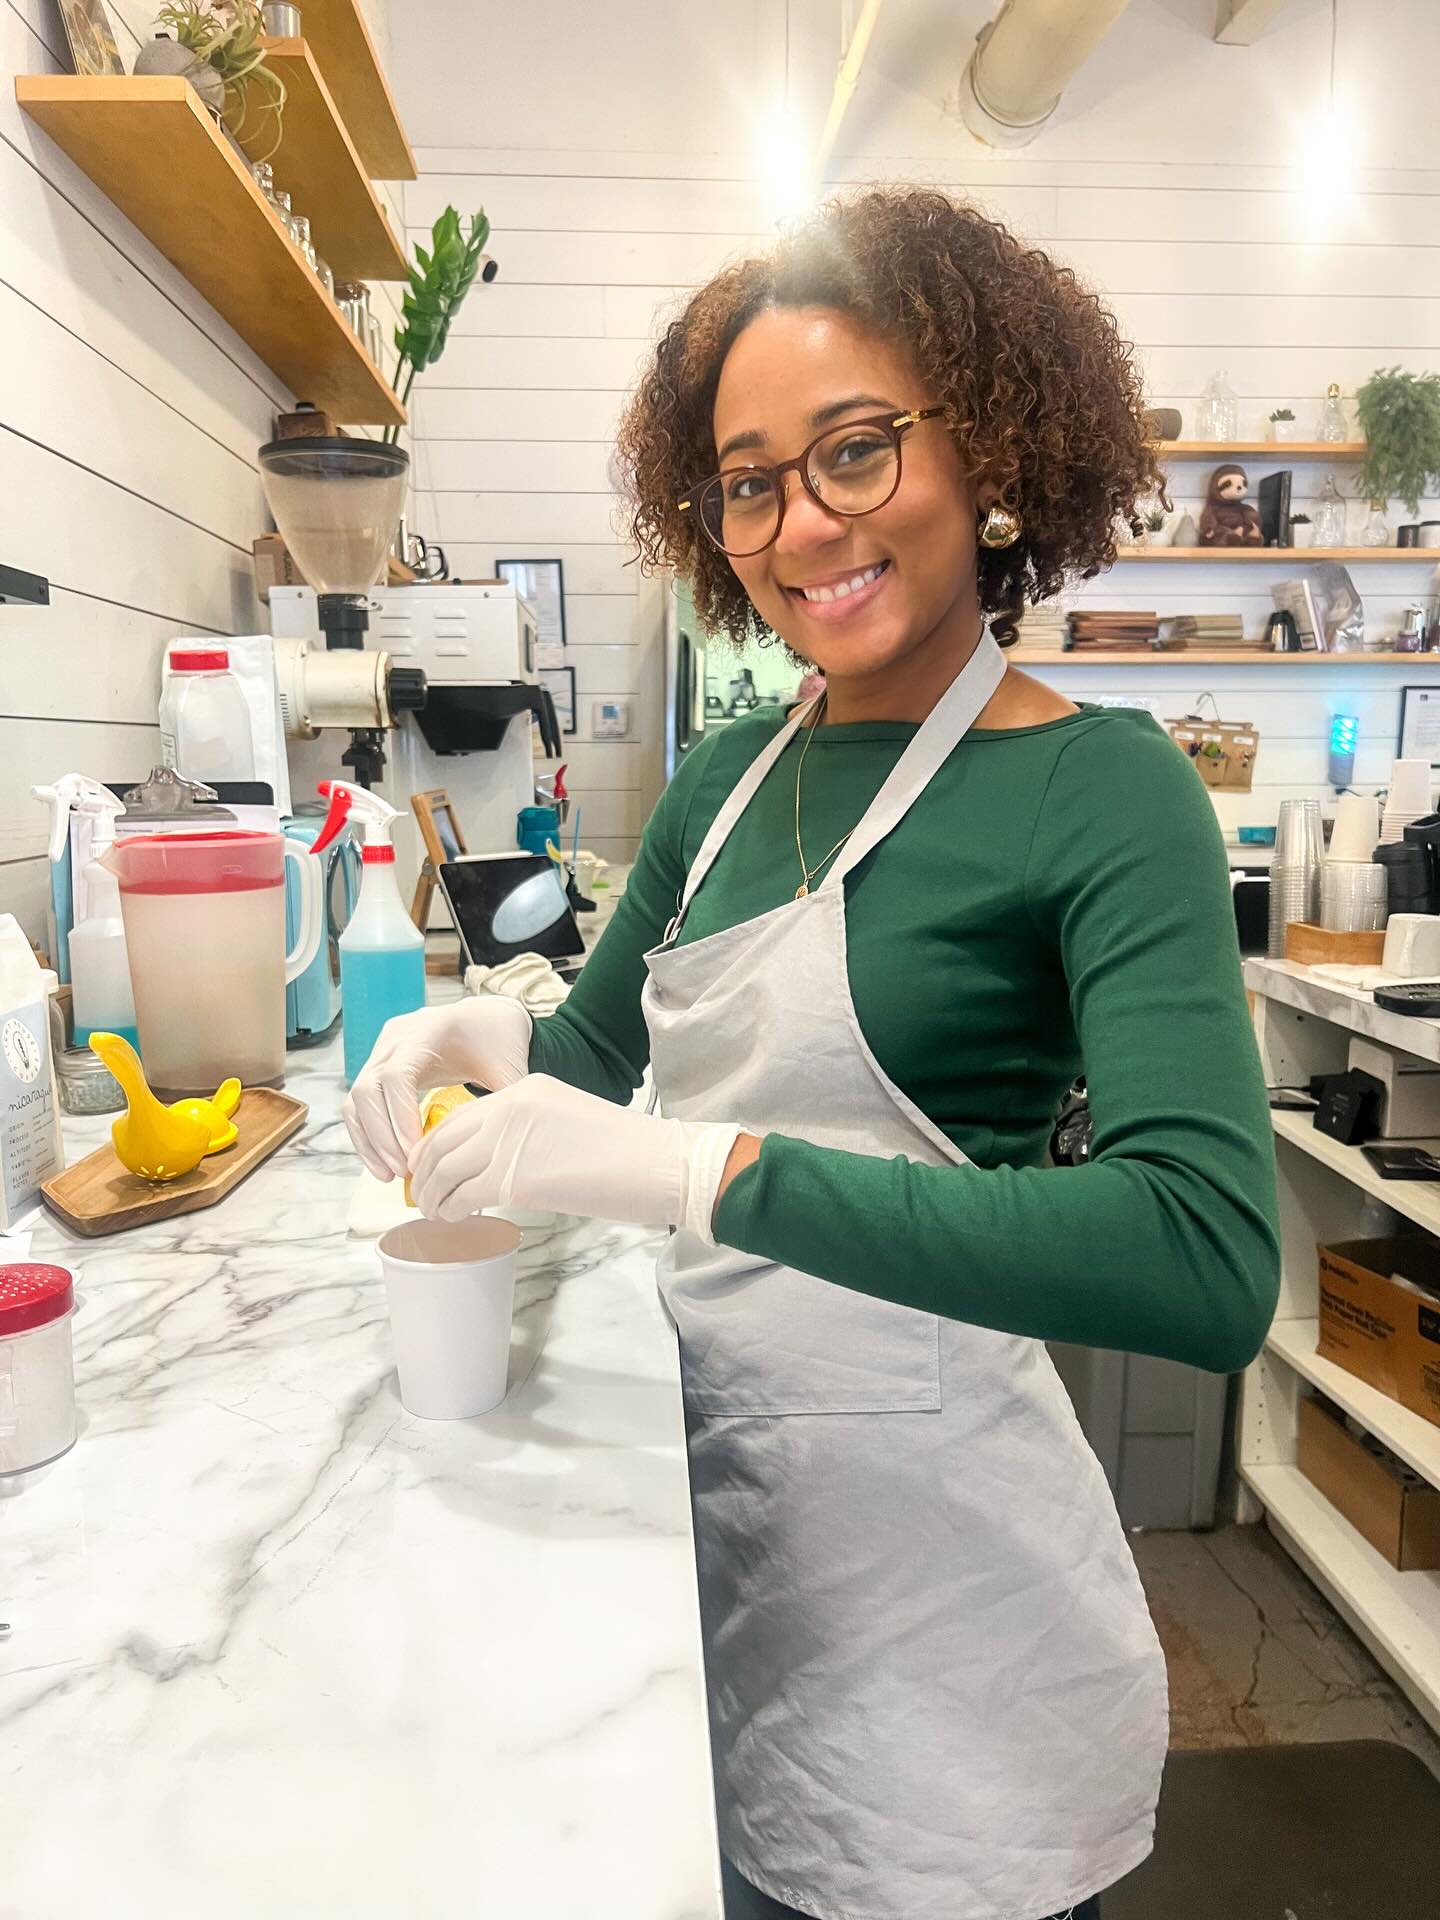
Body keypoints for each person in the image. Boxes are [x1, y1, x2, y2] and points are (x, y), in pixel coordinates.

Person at [346, 187, 1280, 1920]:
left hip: (953, 1651)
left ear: (988, 447)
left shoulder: (1102, 788)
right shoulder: (727, 779)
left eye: (858, 450)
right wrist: (490, 1031)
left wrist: (705, 1173)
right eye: (751, 481)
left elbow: (1205, 1255)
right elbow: (602, 1051)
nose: (803, 525)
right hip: (717, 1548)